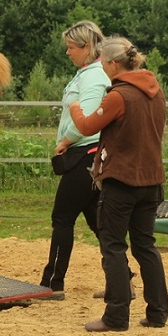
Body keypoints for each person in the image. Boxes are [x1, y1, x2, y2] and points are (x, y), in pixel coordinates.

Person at [69, 36, 168, 332]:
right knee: (145, 246)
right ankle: (158, 313)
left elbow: (87, 126)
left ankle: (115, 316)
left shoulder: (120, 96)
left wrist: (75, 107)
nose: (101, 68)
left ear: (113, 64)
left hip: (122, 181)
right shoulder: (156, 92)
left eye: (102, 63)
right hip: (151, 180)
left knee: (112, 246)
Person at [38, 21, 109, 300]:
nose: (67, 53)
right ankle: (122, 279)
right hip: (92, 156)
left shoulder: (92, 76)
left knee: (62, 218)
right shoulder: (90, 73)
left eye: (70, 47)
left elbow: (88, 117)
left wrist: (65, 140)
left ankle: (52, 283)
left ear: (86, 48)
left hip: (84, 154)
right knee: (96, 221)